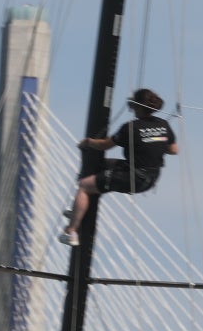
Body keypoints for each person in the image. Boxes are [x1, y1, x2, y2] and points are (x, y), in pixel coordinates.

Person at [61, 88, 178, 245]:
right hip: (150, 178)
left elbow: (104, 145)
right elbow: (173, 150)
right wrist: (155, 142)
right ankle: (78, 210)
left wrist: (87, 142)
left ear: (136, 106)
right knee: (102, 165)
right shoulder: (163, 124)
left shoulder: (130, 127)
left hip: (132, 177)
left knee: (84, 186)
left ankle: (71, 231)